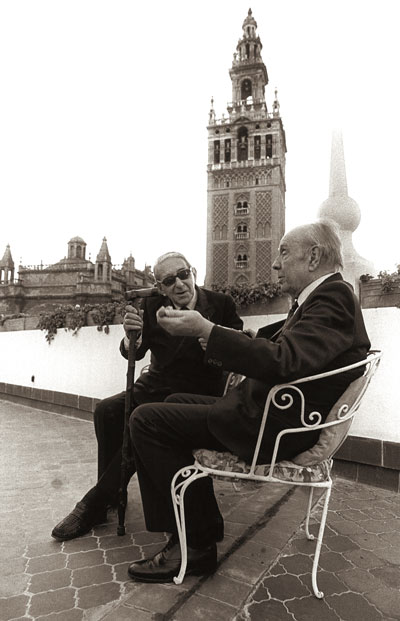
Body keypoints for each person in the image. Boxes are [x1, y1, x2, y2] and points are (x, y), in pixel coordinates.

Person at [127, 220, 371, 583]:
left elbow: (284, 360)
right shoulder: (324, 298)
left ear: (313, 257)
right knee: (173, 399)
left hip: (271, 427)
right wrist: (226, 334)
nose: (275, 263)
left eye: (284, 252)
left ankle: (194, 545)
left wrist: (207, 330)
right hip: (268, 413)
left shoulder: (333, 298)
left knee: (145, 420)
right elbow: (285, 344)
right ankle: (201, 526)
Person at [51, 251, 243, 540]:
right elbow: (135, 351)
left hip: (194, 393)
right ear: (160, 287)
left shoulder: (220, 304)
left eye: (183, 275)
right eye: (169, 281)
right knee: (107, 410)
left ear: (192, 272)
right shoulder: (152, 305)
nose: (179, 284)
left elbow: (239, 350)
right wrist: (132, 338)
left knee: (141, 425)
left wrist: (215, 343)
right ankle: (113, 494)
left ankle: (96, 501)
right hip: (153, 385)